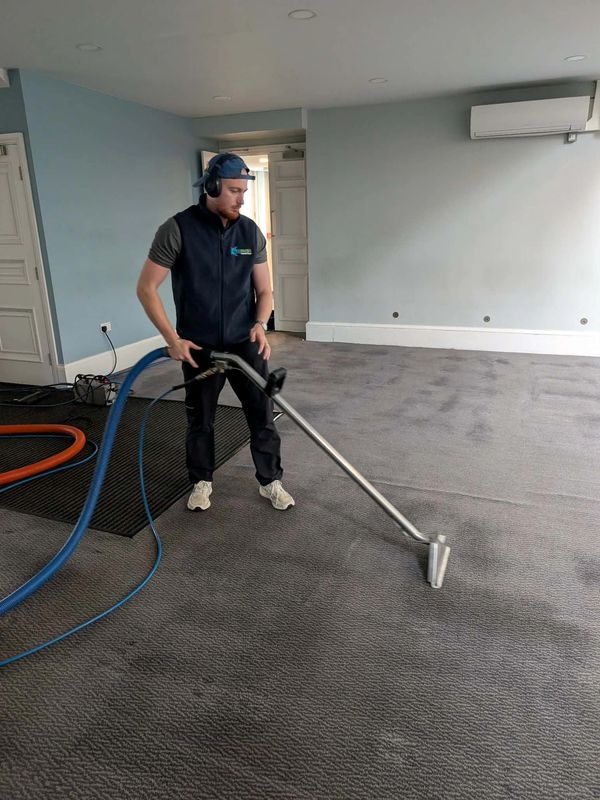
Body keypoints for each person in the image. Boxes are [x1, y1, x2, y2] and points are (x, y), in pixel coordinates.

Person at [136, 153, 294, 512]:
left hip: (244, 342)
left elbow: (265, 291)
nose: (241, 199)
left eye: (244, 191)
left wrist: (260, 324)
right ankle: (201, 481)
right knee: (200, 418)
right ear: (210, 187)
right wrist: (172, 340)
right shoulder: (177, 229)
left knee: (261, 414)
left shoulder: (249, 231)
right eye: (234, 191)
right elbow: (146, 288)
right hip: (199, 346)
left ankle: (270, 481)